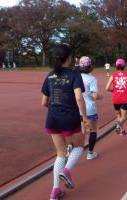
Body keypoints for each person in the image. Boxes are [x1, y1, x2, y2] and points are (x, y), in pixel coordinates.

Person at [41, 44, 89, 200]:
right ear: (68, 58)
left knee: (60, 154)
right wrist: (84, 117)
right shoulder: (74, 75)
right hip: (70, 117)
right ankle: (66, 171)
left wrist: (56, 109)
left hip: (52, 118)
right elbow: (79, 97)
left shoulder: (50, 75)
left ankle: (55, 190)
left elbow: (44, 102)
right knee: (80, 146)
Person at [77, 56, 102, 160]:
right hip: (89, 108)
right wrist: (100, 96)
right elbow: (95, 96)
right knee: (93, 130)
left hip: (77, 108)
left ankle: (75, 150)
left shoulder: (75, 76)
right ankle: (90, 153)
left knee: (81, 130)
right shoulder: (91, 79)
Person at [105, 58, 127, 135]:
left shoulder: (113, 76)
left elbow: (107, 88)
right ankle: (118, 125)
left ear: (116, 66)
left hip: (116, 98)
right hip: (124, 98)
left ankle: (121, 131)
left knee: (119, 115)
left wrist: (113, 90)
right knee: (124, 116)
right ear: (124, 66)